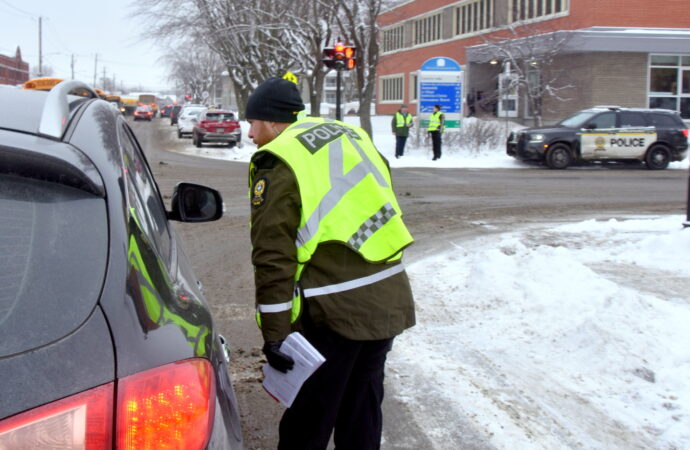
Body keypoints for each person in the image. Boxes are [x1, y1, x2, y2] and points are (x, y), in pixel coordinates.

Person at [246, 77, 416, 450]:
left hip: (332, 311)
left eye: (253, 124)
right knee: (362, 411)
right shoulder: (349, 135)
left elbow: (273, 257)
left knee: (310, 419)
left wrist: (275, 336)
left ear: (274, 122)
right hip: (387, 298)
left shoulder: (281, 159)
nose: (250, 135)